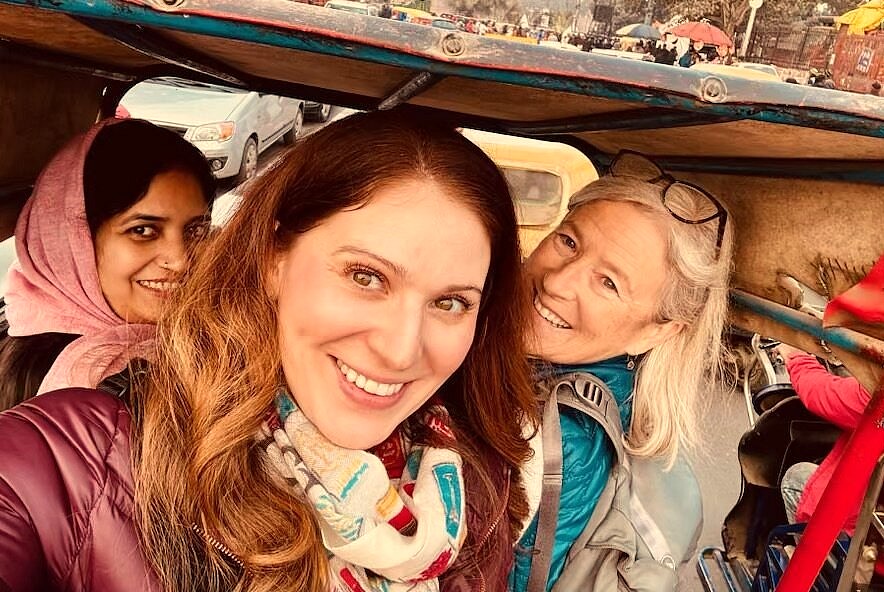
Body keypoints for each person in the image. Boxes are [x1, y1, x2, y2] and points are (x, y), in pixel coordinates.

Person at [0, 109, 539, 592]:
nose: (400, 351)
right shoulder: (79, 459)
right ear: (272, 259)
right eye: (365, 276)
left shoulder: (475, 480)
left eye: (450, 302)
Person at [510, 150, 733, 591]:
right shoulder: (572, 377)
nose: (558, 281)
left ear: (654, 333)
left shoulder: (558, 439)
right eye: (569, 242)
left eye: (608, 282)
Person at [0, 118, 215, 410]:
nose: (180, 260)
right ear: (73, 243)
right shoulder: (101, 384)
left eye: (195, 230)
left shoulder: (28, 330)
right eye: (142, 230)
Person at [777, 344, 871, 532]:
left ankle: (805, 555)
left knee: (795, 477)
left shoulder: (874, 399)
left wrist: (796, 356)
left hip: (858, 529)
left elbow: (820, 393)